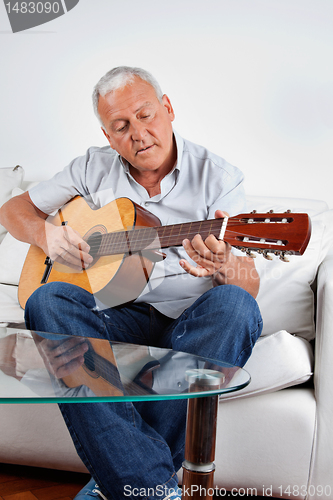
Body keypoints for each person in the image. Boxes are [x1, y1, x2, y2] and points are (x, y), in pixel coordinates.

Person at [0, 66, 263, 500]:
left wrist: (224, 262)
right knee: (47, 300)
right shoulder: (92, 167)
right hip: (113, 319)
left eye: (146, 115)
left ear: (168, 108)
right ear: (106, 135)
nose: (138, 134)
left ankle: (124, 483)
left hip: (188, 325)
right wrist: (45, 234)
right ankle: (151, 485)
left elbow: (247, 287)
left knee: (236, 306)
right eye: (121, 126)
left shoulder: (220, 178)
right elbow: (13, 210)